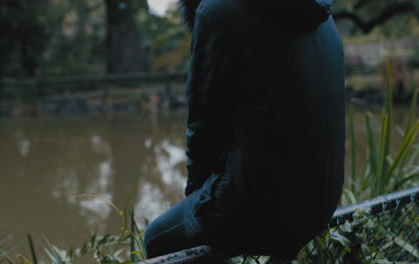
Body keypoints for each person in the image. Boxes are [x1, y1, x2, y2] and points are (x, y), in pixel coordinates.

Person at [143, 0, 345, 261]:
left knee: (157, 239)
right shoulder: (324, 18)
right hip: (322, 203)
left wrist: (198, 207)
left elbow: (203, 129)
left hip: (263, 211)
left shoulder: (216, 11)